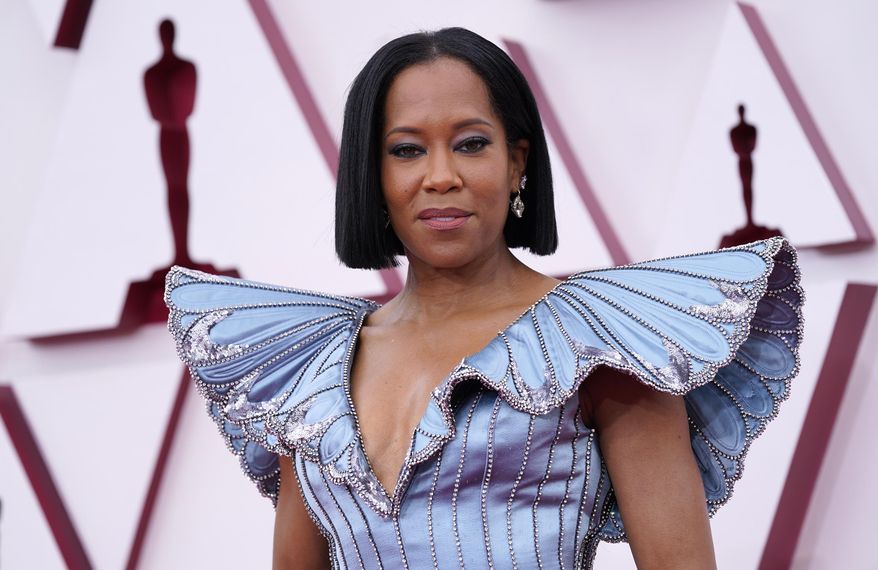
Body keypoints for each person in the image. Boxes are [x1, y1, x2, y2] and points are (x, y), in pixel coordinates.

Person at [164, 28, 803, 569]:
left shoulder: (604, 341)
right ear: (374, 173)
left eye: (471, 143)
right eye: (407, 150)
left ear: (517, 163)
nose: (441, 176)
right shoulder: (308, 367)